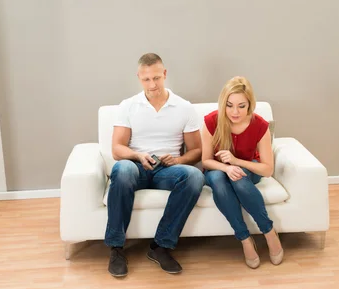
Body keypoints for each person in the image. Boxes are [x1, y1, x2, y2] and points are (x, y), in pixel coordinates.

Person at [104, 53, 204, 277]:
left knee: (195, 177)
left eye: (157, 78)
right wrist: (138, 156)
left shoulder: (184, 107)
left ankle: (161, 246)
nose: (153, 84)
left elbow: (197, 151)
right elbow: (117, 148)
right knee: (121, 168)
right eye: (147, 79)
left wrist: (178, 160)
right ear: (139, 78)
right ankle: (116, 248)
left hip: (167, 170)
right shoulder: (128, 106)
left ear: (165, 74)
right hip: (137, 166)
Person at [201, 76, 283, 269]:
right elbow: (206, 160)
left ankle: (269, 231)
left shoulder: (259, 125)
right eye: (229, 105)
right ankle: (245, 239)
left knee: (239, 178)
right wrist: (227, 167)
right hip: (217, 170)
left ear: (250, 105)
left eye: (241, 106)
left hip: (249, 166)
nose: (234, 112)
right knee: (220, 180)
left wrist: (236, 162)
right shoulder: (211, 121)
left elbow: (268, 169)